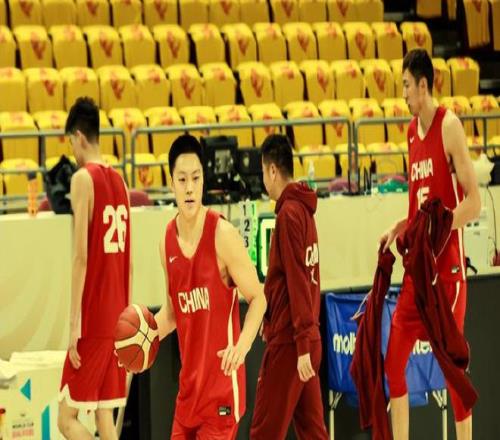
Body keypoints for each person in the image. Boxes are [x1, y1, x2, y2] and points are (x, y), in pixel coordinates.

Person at [380, 48, 481, 440]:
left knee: (453, 370)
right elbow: (418, 206)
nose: (403, 93)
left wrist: (442, 226)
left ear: (423, 85)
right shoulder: (410, 132)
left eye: (407, 85)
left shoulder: (449, 126)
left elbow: (473, 202)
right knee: (393, 360)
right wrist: (400, 227)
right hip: (418, 273)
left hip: (447, 273)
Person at [154, 134, 267, 439]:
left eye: (196, 178)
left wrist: (242, 347)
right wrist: (143, 337)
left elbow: (258, 297)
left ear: (204, 179)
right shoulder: (166, 242)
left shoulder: (223, 235)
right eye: (182, 180)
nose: (190, 188)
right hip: (188, 396)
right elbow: (172, 313)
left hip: (221, 395)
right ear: (171, 183)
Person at [58, 97, 131, 440]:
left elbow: (81, 258)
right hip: (118, 315)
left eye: (71, 143)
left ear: (79, 136)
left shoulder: (82, 179)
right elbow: (129, 261)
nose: (72, 151)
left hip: (94, 318)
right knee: (104, 415)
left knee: (66, 419)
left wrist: (75, 325)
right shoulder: (122, 183)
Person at [250, 134, 328, 440]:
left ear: (272, 170)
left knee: (263, 434)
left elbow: (298, 282)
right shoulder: (305, 210)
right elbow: (301, 279)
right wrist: (270, 315)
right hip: (306, 338)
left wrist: (301, 343)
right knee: (313, 433)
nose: (263, 179)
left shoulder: (287, 215)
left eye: (263, 171)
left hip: (291, 344)